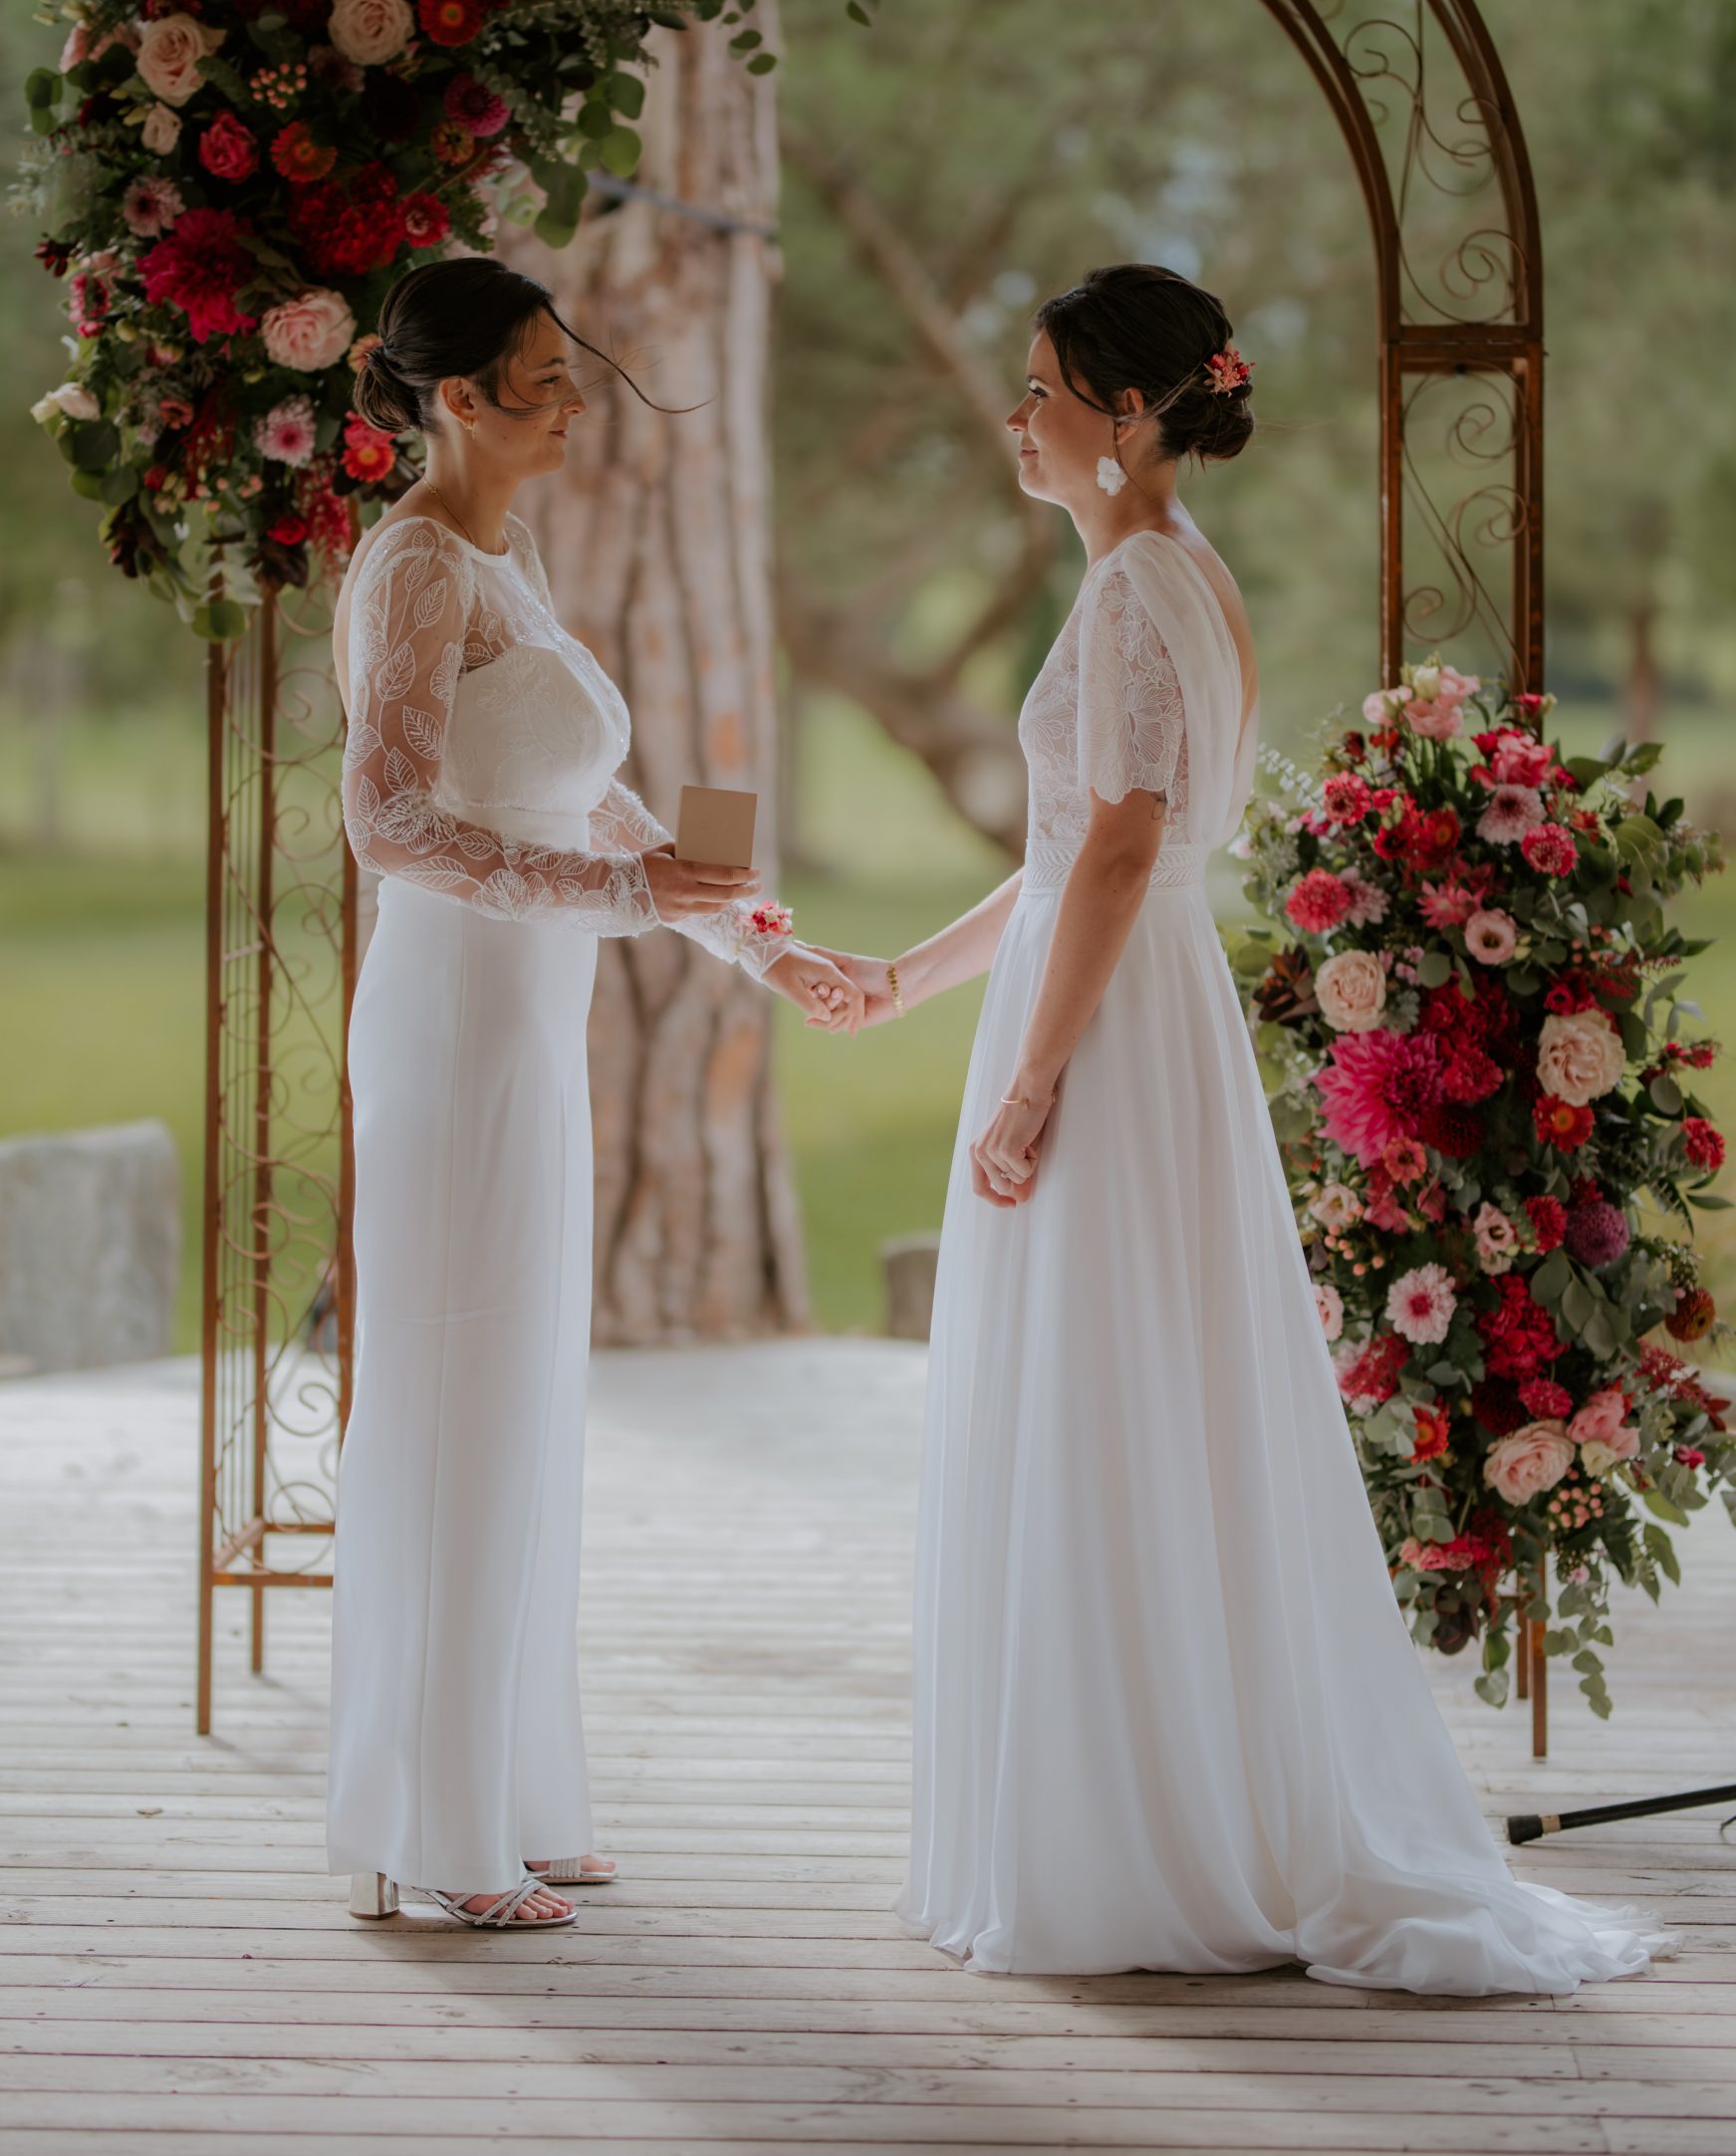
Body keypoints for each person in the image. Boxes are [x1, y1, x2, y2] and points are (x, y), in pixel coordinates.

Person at [819, 263, 1676, 1991]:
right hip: (1140, 1003)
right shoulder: (1168, 577)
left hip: (1114, 1028)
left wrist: (1037, 1077)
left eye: (1043, 386)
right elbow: (1080, 850)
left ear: (1129, 418)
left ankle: (1137, 1832)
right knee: (1136, 1393)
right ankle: (1147, 1795)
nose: (1018, 415)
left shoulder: (1138, 591)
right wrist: (911, 979)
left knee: (1104, 1391)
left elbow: (1123, 853)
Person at [326, 258, 861, 1930]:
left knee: (522, 1389)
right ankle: (434, 1832)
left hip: (528, 1010)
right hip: (457, 1012)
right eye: (543, 379)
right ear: (459, 399)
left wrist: (743, 927)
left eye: (569, 373)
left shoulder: (510, 553)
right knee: (455, 1387)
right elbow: (390, 821)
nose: (575, 401)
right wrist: (630, 903)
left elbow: (584, 792)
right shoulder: (415, 563)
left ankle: (512, 1786)